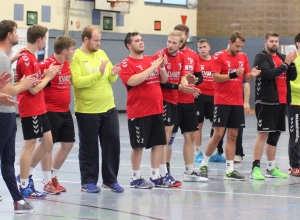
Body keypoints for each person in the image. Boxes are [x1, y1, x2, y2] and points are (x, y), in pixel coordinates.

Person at [199, 31, 260, 181]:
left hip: (236, 102)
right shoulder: (219, 56)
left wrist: (252, 74)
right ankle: (203, 165)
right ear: (230, 42)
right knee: (218, 134)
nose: (239, 49)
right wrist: (233, 74)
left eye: (241, 46)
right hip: (221, 102)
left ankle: (229, 170)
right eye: (237, 46)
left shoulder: (243, 57)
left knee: (233, 136)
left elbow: (247, 79)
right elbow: (215, 77)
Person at [70, 25, 123, 193]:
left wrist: (113, 73)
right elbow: (77, 82)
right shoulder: (76, 57)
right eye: (96, 40)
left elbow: (110, 78)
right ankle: (88, 181)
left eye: (99, 40)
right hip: (87, 111)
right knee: (89, 147)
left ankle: (110, 180)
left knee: (112, 144)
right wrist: (98, 74)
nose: (99, 43)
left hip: (109, 108)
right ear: (86, 39)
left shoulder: (101, 54)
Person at [119, 32, 172, 189]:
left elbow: (164, 80)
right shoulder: (125, 64)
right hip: (139, 112)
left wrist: (161, 68)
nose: (141, 42)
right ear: (129, 45)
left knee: (158, 144)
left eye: (141, 40)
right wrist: (153, 66)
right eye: (137, 41)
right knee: (138, 146)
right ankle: (136, 178)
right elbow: (133, 81)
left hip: (156, 109)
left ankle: (155, 175)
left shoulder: (150, 59)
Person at [16, 24, 61, 198]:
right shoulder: (26, 59)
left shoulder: (33, 58)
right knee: (30, 145)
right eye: (44, 38)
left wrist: (45, 76)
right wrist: (48, 77)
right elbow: (32, 90)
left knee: (48, 142)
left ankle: (26, 174)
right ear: (39, 39)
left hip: (40, 107)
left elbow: (35, 83)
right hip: (30, 107)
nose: (45, 41)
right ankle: (24, 184)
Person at [0, 19, 39, 213]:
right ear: (9, 35)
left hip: (7, 115)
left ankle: (17, 200)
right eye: (16, 32)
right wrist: (23, 86)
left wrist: (13, 60)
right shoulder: (2, 58)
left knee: (7, 160)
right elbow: (7, 90)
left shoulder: (5, 58)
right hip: (2, 115)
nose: (18, 35)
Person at [251, 32, 297, 180]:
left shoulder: (282, 58)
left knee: (275, 135)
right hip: (266, 101)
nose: (274, 44)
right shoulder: (261, 57)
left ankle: (271, 168)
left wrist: (292, 63)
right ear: (265, 42)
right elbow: (268, 74)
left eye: (276, 41)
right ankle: (255, 168)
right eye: (271, 41)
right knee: (263, 134)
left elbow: (293, 76)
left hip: (282, 102)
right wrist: (285, 65)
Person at [154, 31, 197, 187]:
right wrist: (180, 86)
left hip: (174, 99)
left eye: (173, 43)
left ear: (181, 44)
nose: (170, 45)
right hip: (162, 99)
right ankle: (160, 173)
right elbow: (161, 81)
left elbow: (182, 77)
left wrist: (187, 86)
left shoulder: (182, 57)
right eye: (168, 41)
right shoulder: (160, 55)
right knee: (164, 136)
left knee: (168, 135)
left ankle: (163, 173)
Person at [166, 24, 205, 182]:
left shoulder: (192, 56)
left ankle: (189, 172)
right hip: (172, 101)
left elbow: (199, 77)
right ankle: (165, 170)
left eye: (181, 38)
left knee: (190, 136)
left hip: (188, 102)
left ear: (186, 38)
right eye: (175, 39)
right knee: (169, 138)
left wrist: (194, 80)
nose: (177, 41)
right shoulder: (167, 56)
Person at [39, 35, 76, 192]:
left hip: (65, 110)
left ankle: (53, 176)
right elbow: (36, 85)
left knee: (68, 143)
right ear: (64, 50)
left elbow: (70, 80)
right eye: (72, 49)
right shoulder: (46, 65)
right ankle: (47, 181)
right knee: (48, 146)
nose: (74, 52)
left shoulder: (67, 63)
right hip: (49, 111)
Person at [194, 38, 226, 164]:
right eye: (200, 47)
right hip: (199, 97)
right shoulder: (196, 60)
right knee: (199, 126)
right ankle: (198, 153)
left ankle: (216, 152)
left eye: (204, 47)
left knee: (217, 125)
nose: (202, 49)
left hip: (214, 97)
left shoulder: (215, 60)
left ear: (209, 48)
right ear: (198, 49)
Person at [288, 33, 300, 177]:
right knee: (296, 135)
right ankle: (295, 165)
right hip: (295, 103)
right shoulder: (292, 59)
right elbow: (289, 82)